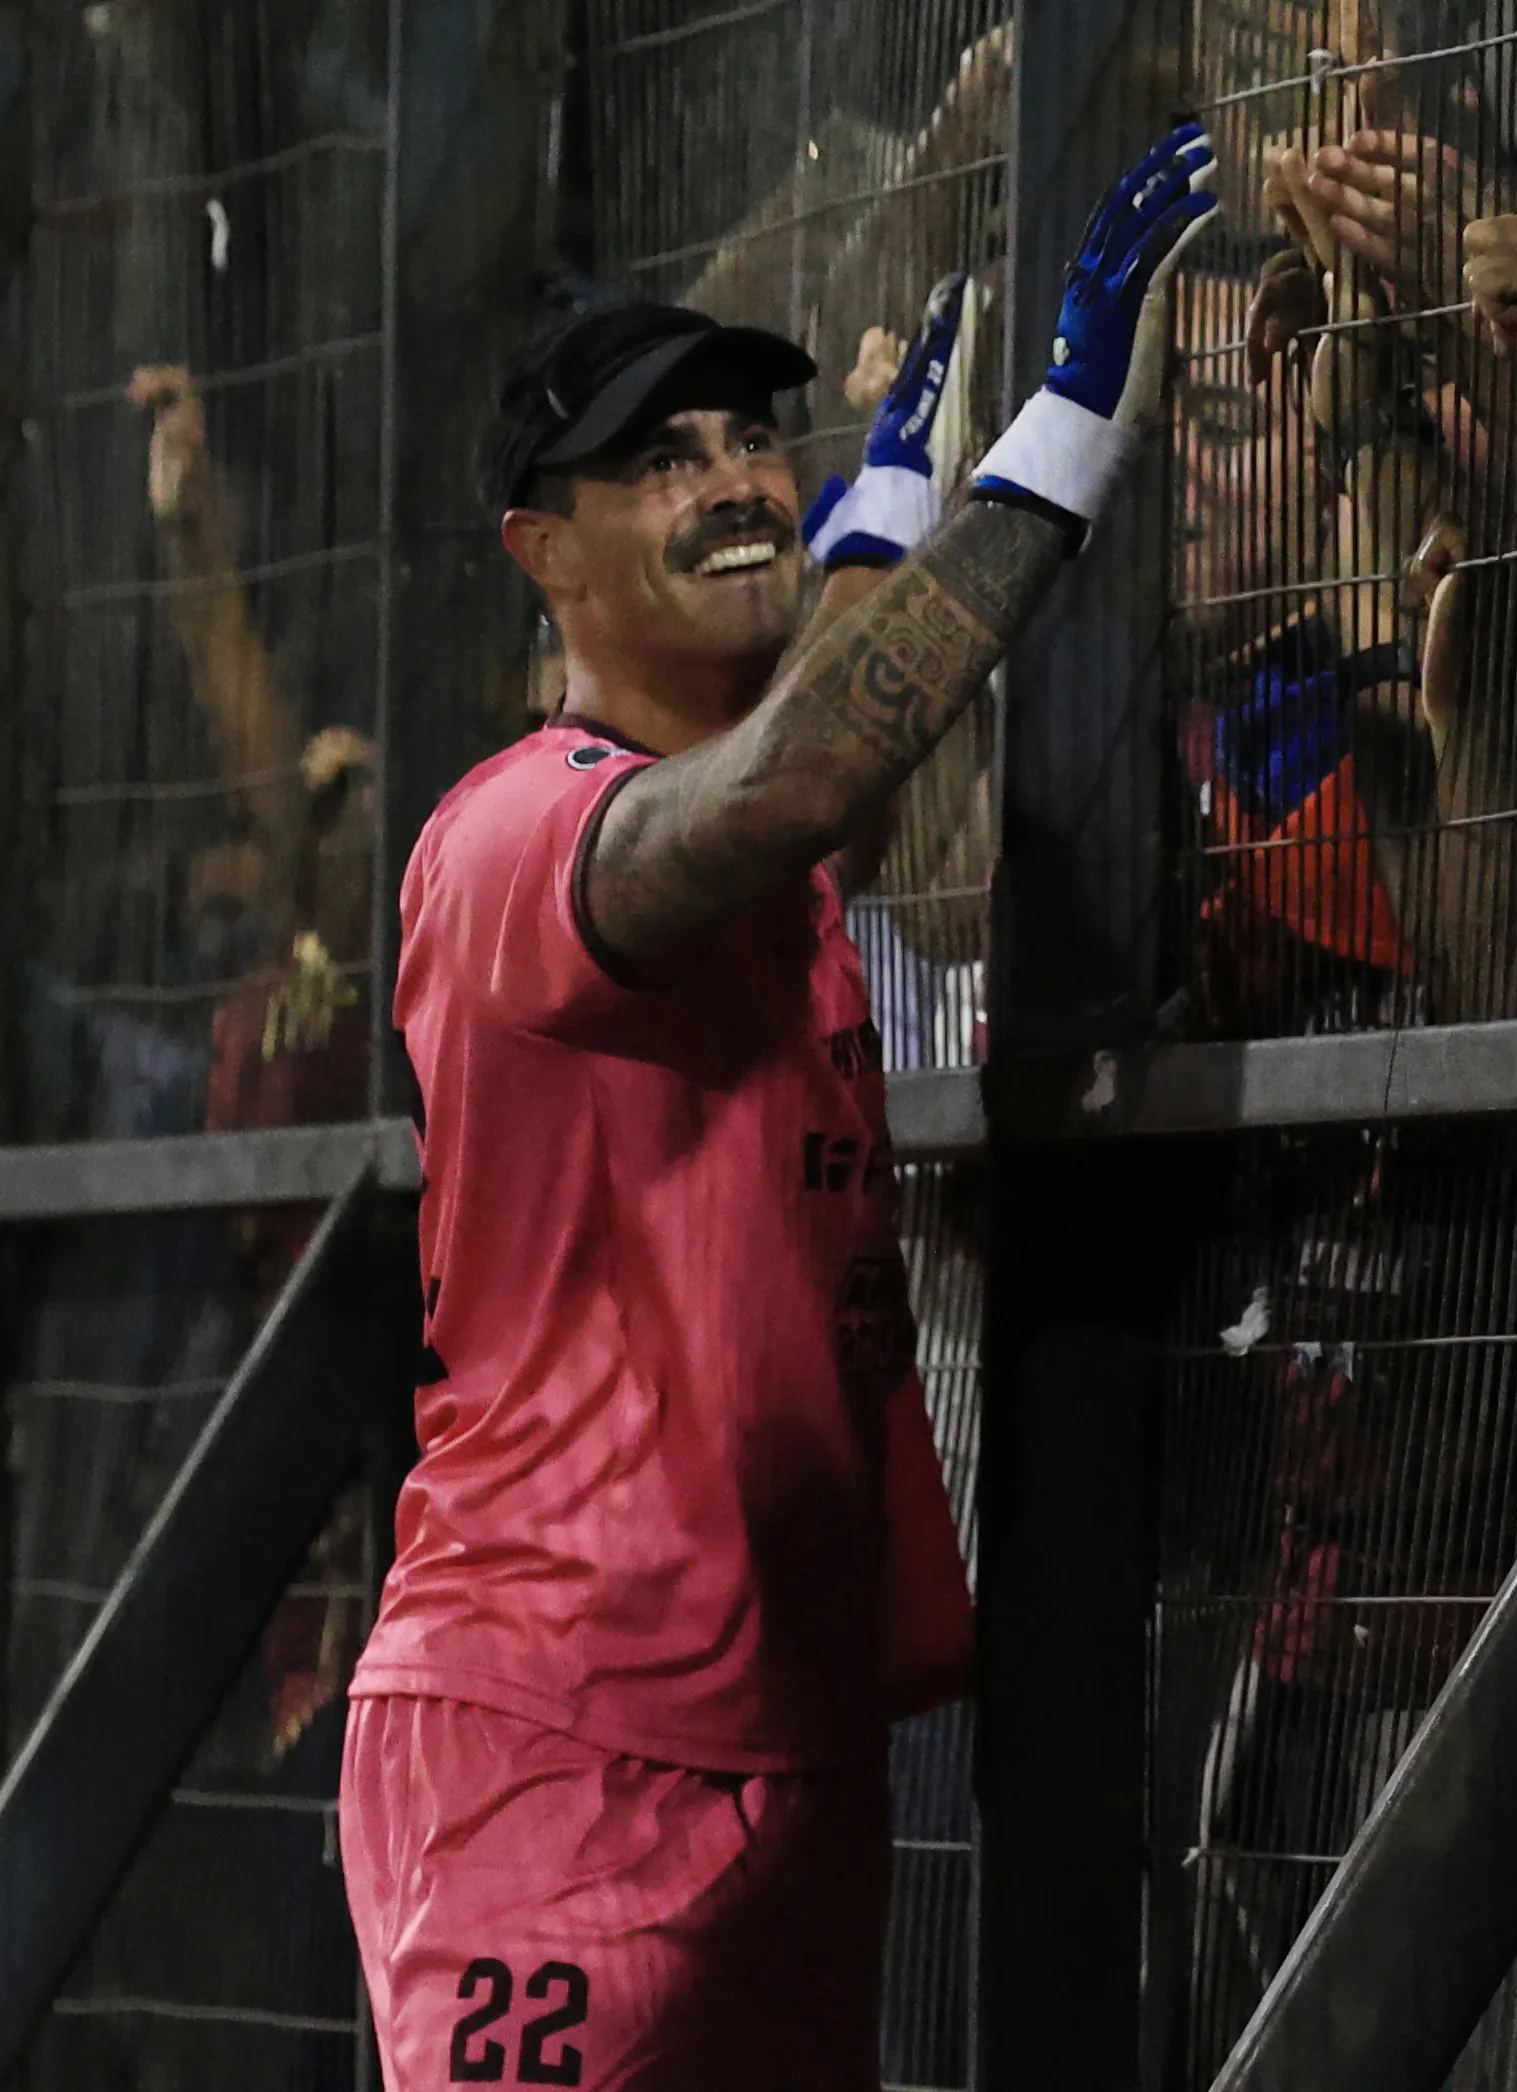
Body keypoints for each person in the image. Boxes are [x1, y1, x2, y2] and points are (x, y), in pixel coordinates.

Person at [336, 123, 1218, 2090]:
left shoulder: (773, 878)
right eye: (658, 460)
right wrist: (1055, 438)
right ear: (540, 550)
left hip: (791, 1739)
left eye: (751, 438)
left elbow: (824, 753)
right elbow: (803, 773)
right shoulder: (518, 836)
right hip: (556, 1744)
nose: (731, 475)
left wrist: (883, 505)